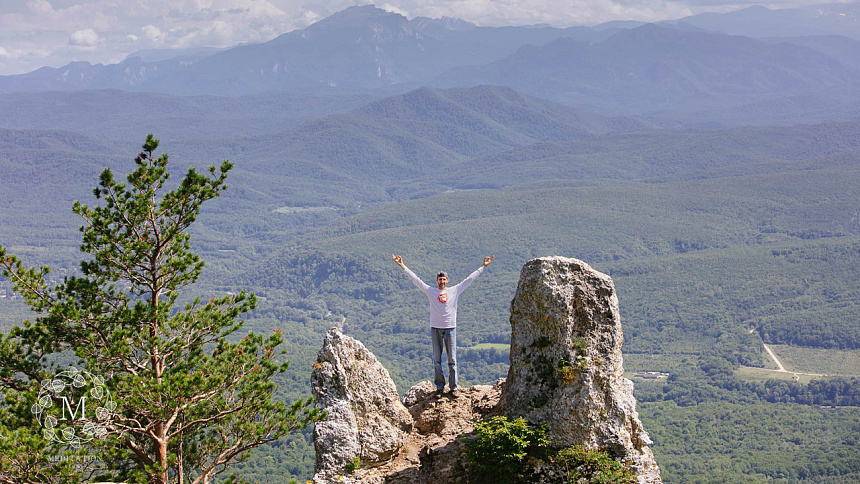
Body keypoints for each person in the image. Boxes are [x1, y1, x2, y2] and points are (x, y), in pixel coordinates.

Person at [391, 254, 494, 397]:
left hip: (450, 327)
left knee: (452, 359)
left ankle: (453, 388)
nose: (442, 281)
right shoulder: (430, 291)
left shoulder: (455, 290)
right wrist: (402, 265)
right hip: (435, 328)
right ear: (437, 280)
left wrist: (483, 267)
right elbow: (415, 279)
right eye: (440, 279)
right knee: (437, 359)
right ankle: (440, 387)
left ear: (447, 280)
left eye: (444, 279)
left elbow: (469, 279)